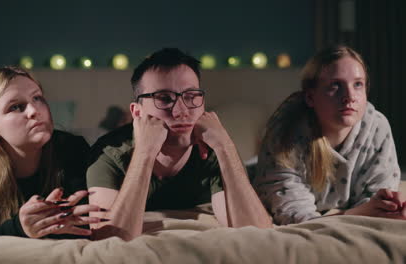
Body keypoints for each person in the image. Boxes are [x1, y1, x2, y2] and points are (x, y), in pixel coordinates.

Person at [87, 48, 272, 240]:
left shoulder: (215, 147)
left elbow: (258, 232)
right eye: (164, 99)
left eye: (191, 97)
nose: (181, 111)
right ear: (137, 112)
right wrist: (145, 152)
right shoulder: (109, 153)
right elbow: (108, 239)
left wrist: (225, 146)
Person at [0, 67, 103, 240]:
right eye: (16, 107)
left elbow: (90, 223)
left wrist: (55, 223)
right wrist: (19, 228)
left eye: (37, 98)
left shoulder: (71, 147)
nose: (34, 111)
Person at [254, 45, 404, 225]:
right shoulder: (285, 133)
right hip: (263, 173)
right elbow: (295, 215)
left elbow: (377, 203)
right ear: (310, 97)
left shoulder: (377, 127)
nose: (349, 96)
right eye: (335, 85)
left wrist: (388, 207)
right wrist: (356, 213)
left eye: (358, 84)